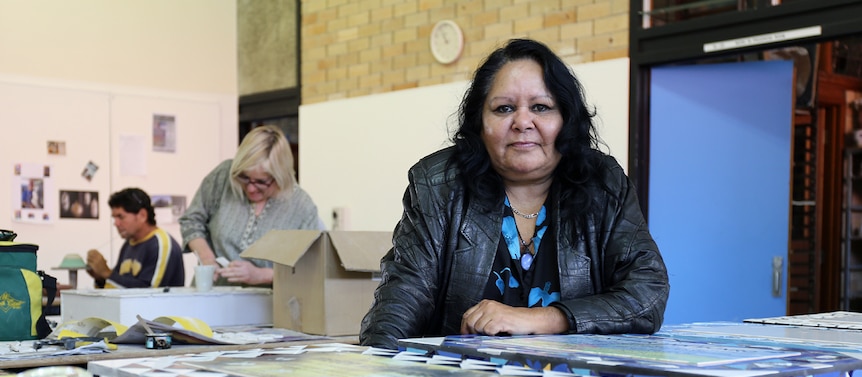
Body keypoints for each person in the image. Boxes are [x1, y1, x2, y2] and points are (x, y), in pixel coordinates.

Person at [360, 38, 669, 350]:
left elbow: (647, 293)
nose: (522, 122)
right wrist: (378, 371)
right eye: (504, 108)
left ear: (565, 120)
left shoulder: (604, 184)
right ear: (479, 123)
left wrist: (542, 319)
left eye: (541, 107)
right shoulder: (438, 185)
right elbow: (402, 299)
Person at [179, 125, 322, 286]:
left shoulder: (302, 207)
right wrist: (207, 259)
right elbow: (191, 221)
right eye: (244, 177)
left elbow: (311, 269)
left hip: (266, 304)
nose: (251, 188)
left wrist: (262, 275)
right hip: (214, 294)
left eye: (262, 182)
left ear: (281, 177)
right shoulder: (223, 177)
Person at [86, 188, 185, 288]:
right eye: (114, 218)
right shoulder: (129, 244)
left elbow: (149, 292)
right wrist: (100, 278)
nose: (116, 223)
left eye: (121, 217)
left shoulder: (161, 245)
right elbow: (119, 286)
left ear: (142, 215)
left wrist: (107, 273)